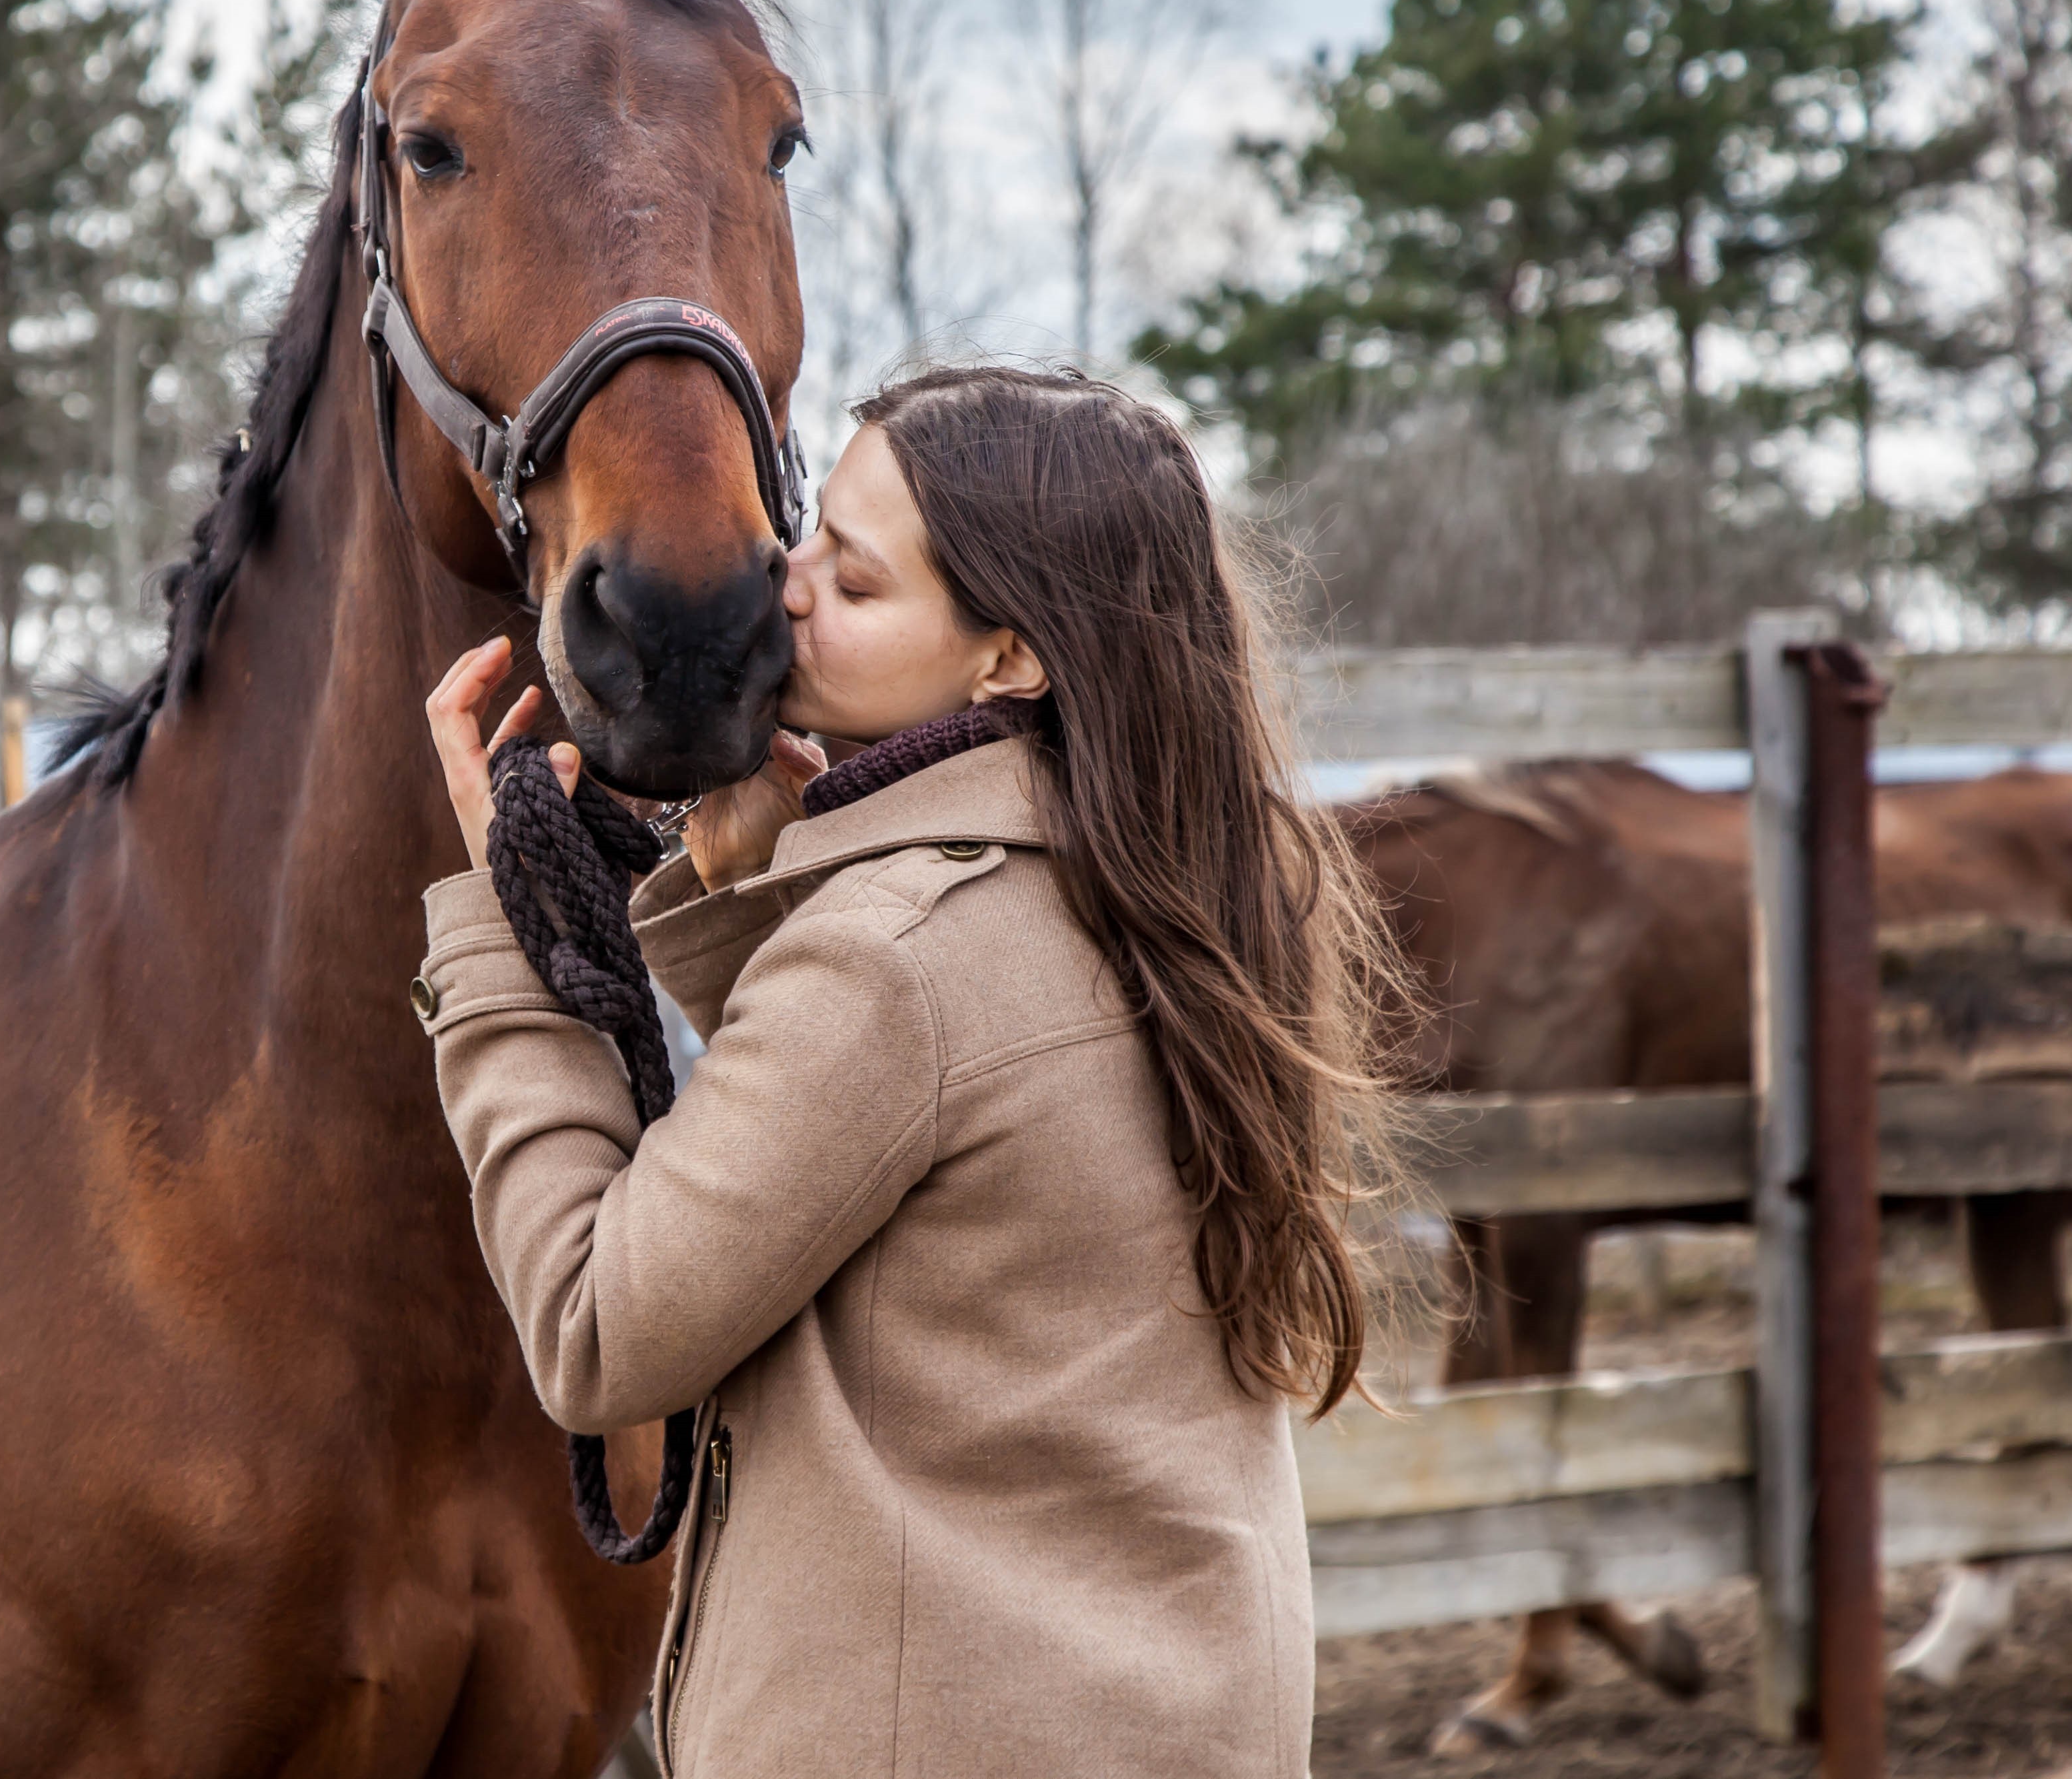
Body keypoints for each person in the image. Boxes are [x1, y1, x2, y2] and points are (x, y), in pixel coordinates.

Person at [417, 363, 1401, 1778]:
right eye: (808, 531)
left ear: (1009, 658)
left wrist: (515, 938)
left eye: (855, 582)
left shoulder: (895, 963)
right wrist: (771, 886)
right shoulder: (1170, 893)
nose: (782, 584)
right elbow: (896, 1157)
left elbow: (596, 1326)